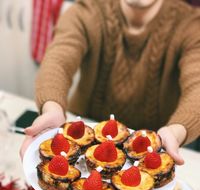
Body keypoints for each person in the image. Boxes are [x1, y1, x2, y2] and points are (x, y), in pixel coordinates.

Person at [20, 0, 200, 165]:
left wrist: (176, 132)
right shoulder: (86, 10)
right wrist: (52, 109)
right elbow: (58, 61)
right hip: (82, 139)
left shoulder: (192, 25)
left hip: (153, 151)